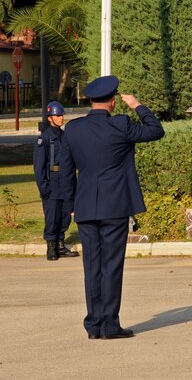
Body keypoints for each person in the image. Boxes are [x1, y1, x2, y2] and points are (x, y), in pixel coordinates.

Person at [60, 76, 165, 339]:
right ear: (113, 101)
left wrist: (71, 203)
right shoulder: (121, 124)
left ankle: (94, 324)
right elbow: (155, 130)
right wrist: (138, 106)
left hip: (85, 204)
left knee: (92, 266)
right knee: (111, 265)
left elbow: (65, 171)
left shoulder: (74, 129)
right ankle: (109, 324)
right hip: (115, 205)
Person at [34, 101, 79, 261]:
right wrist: (44, 189)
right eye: (57, 115)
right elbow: (39, 168)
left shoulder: (65, 136)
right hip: (52, 185)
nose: (61, 118)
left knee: (65, 216)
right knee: (52, 217)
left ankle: (61, 245)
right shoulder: (45, 139)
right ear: (50, 118)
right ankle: (51, 247)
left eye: (61, 115)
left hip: (66, 184)